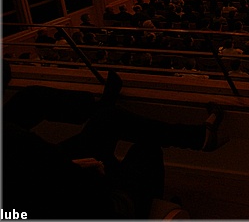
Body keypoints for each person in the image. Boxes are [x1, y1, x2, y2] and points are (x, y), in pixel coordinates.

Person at [3, 66, 224, 218]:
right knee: (147, 149)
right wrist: (82, 171)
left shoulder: (14, 139)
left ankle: (198, 137)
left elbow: (41, 170)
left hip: (54, 183)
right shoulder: (15, 140)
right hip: (90, 205)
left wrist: (68, 166)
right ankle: (145, 207)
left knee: (105, 117)